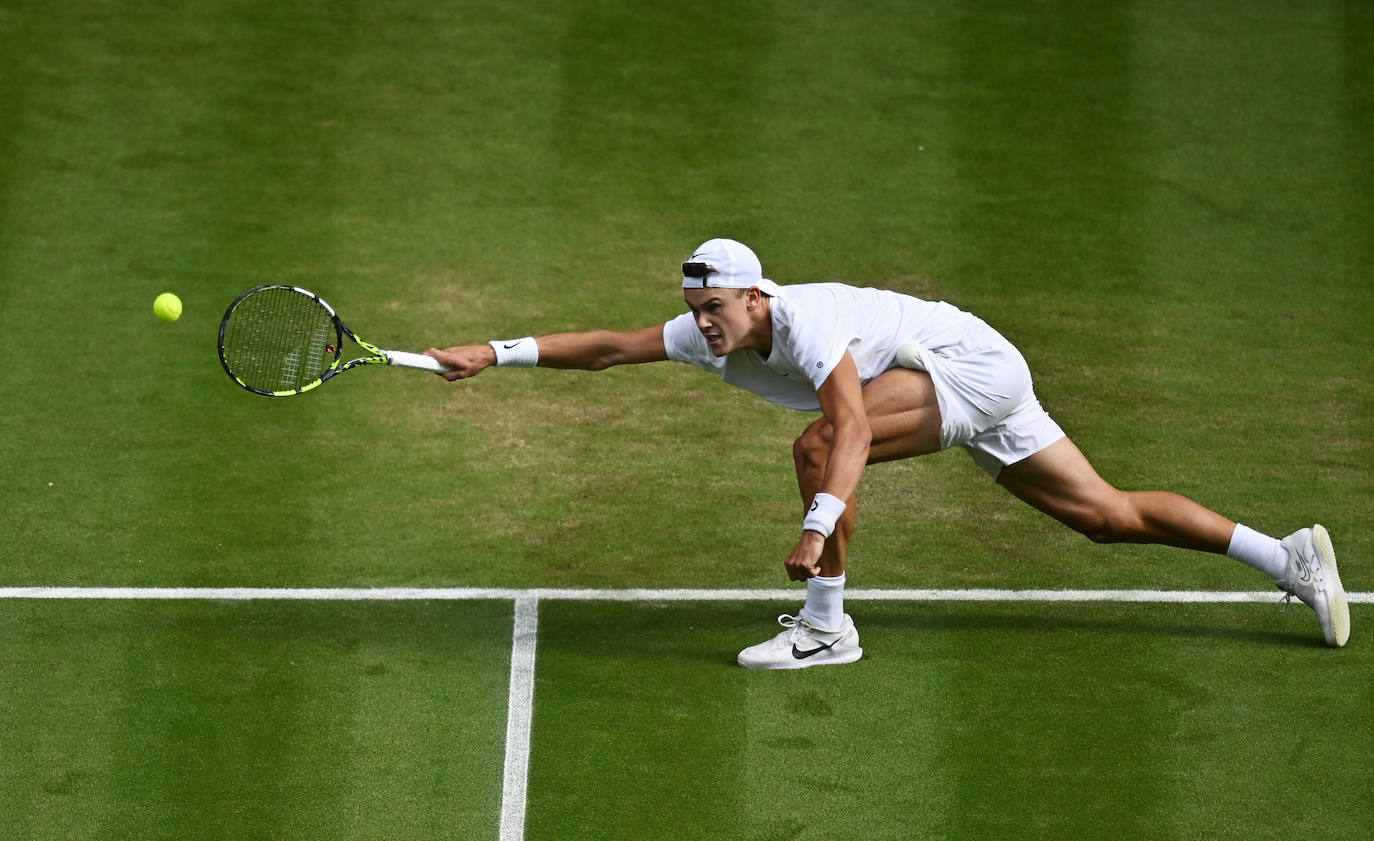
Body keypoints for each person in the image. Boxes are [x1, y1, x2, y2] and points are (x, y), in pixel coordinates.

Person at [426, 238, 1350, 668]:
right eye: (697, 309)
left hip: (965, 367)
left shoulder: (806, 322)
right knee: (1105, 518)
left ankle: (827, 627)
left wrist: (816, 522)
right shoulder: (707, 330)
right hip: (971, 370)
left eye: (718, 309)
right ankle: (1289, 557)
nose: (704, 325)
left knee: (820, 441)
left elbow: (852, 430)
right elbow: (610, 347)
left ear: (757, 298)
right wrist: (495, 353)